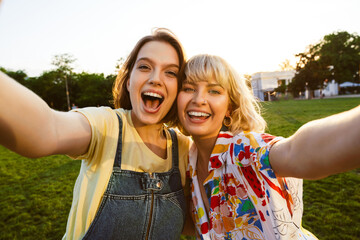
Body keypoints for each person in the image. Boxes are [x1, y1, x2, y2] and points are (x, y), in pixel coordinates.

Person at [0, 28, 193, 239]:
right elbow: (47, 130)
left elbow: (197, 223)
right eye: (145, 66)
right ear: (129, 82)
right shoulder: (106, 125)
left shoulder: (184, 149)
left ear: (179, 89)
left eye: (171, 72)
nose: (156, 78)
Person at [176, 54, 360, 240]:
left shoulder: (243, 148)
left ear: (229, 108)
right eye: (189, 88)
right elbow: (200, 225)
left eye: (214, 91)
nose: (199, 99)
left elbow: (294, 152)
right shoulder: (188, 162)